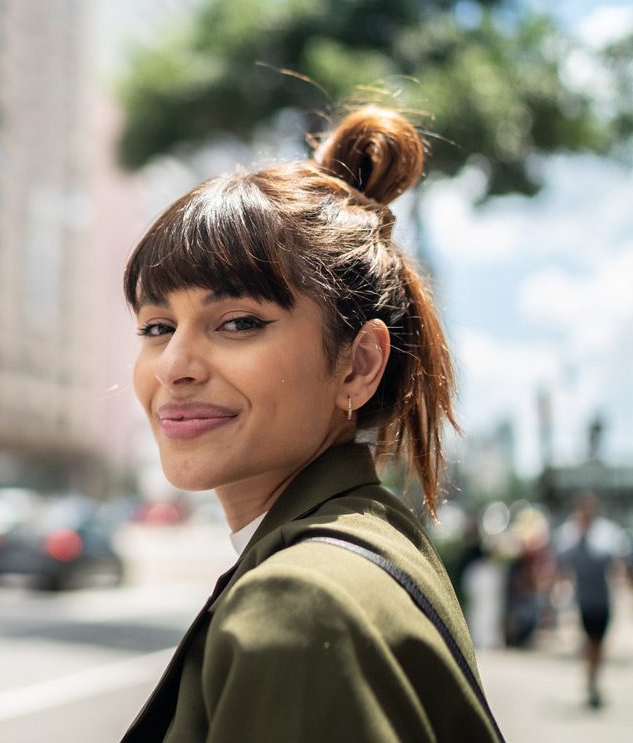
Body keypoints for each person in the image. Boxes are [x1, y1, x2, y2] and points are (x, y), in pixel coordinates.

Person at [120, 106, 503, 741]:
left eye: (239, 322)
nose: (175, 366)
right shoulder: (372, 532)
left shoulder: (301, 604)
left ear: (358, 364)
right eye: (156, 327)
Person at [554, 493, 630, 709]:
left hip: (603, 599)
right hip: (585, 600)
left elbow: (617, 563)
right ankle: (592, 680)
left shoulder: (607, 532)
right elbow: (562, 563)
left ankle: (593, 677)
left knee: (599, 642)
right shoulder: (570, 534)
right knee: (591, 641)